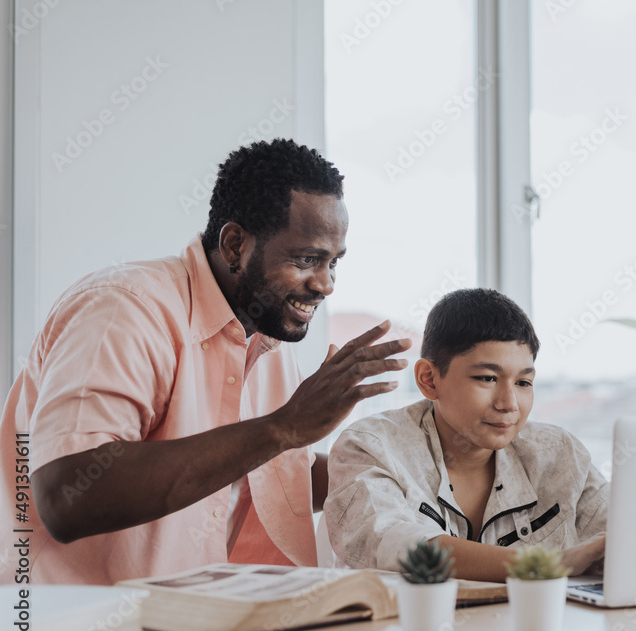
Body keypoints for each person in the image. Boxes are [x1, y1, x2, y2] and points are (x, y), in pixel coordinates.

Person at [0, 138, 411, 585]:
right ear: (234, 245)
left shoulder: (267, 339)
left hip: (201, 615)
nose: (325, 284)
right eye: (307, 259)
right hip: (77, 622)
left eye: (334, 263)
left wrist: (410, 463)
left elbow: (274, 473)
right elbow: (67, 496)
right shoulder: (124, 309)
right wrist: (285, 426)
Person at [325, 288, 607, 582]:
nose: (509, 404)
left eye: (523, 382)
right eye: (487, 378)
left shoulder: (560, 453)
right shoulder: (369, 446)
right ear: (429, 379)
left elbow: (622, 533)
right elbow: (397, 546)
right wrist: (549, 564)